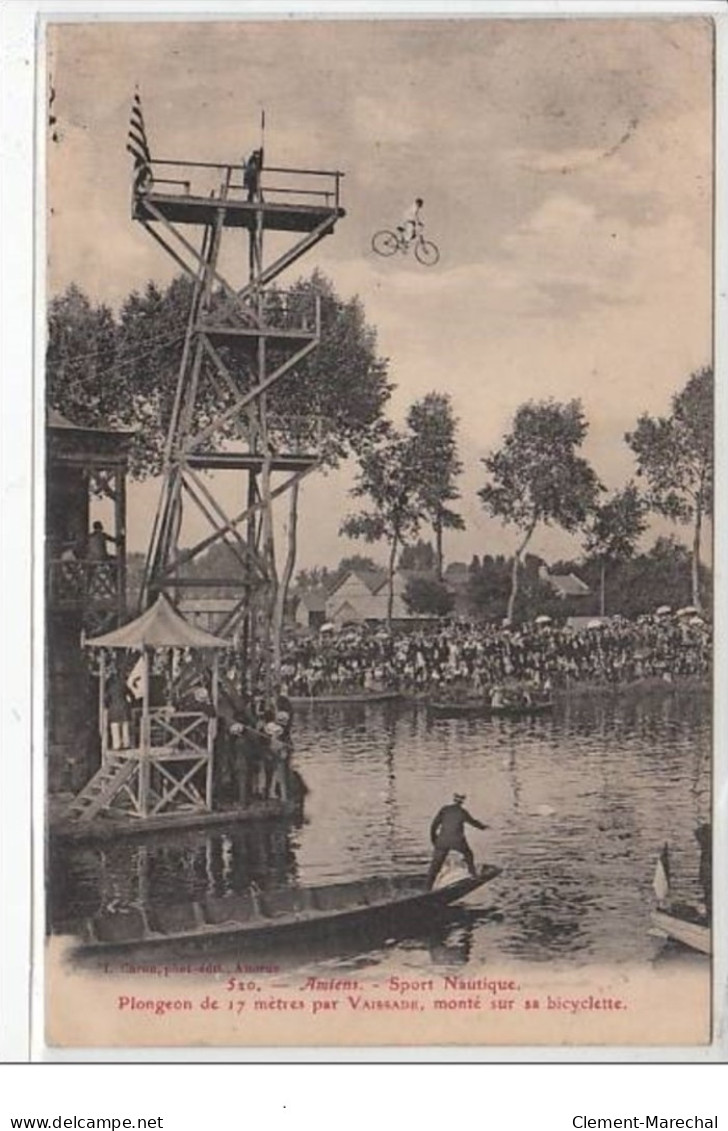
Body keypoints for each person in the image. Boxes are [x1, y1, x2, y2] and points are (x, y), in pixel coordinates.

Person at [426, 792, 488, 889]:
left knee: (435, 865)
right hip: (457, 841)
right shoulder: (462, 812)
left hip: (442, 841)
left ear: (454, 798)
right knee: (468, 854)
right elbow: (474, 823)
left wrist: (434, 840)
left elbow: (433, 826)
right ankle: (473, 875)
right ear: (463, 801)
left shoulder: (444, 809)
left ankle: (427, 887)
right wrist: (484, 827)